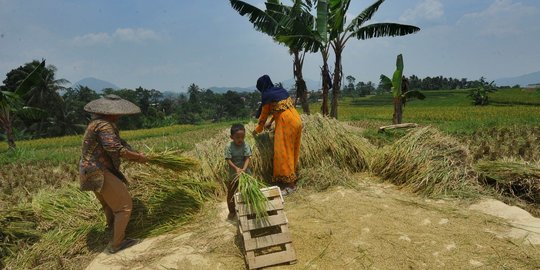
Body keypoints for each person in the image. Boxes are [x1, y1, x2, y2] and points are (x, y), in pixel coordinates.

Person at [79, 94, 147, 254]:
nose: (119, 116)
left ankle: (113, 232)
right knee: (123, 206)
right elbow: (115, 149)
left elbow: (120, 144)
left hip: (88, 171)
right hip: (99, 171)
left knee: (109, 205)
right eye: (117, 113)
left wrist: (136, 153)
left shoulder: (95, 123)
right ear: (110, 112)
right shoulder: (104, 125)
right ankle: (117, 243)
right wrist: (139, 158)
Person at [252, 75, 302, 195]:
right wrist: (271, 123)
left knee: (283, 152)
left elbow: (263, 115)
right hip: (296, 119)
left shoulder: (267, 95)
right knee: (292, 150)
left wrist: (257, 130)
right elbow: (281, 109)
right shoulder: (280, 90)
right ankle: (290, 177)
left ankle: (290, 185)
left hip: (287, 123)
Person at [224, 123, 252, 220]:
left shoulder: (245, 145)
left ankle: (249, 209)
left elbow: (247, 158)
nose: (240, 139)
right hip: (233, 174)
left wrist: (243, 169)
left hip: (245, 172)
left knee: (248, 191)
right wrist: (236, 169)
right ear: (232, 137)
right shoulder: (229, 146)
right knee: (231, 193)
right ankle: (232, 211)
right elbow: (228, 159)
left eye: (242, 137)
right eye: (237, 137)